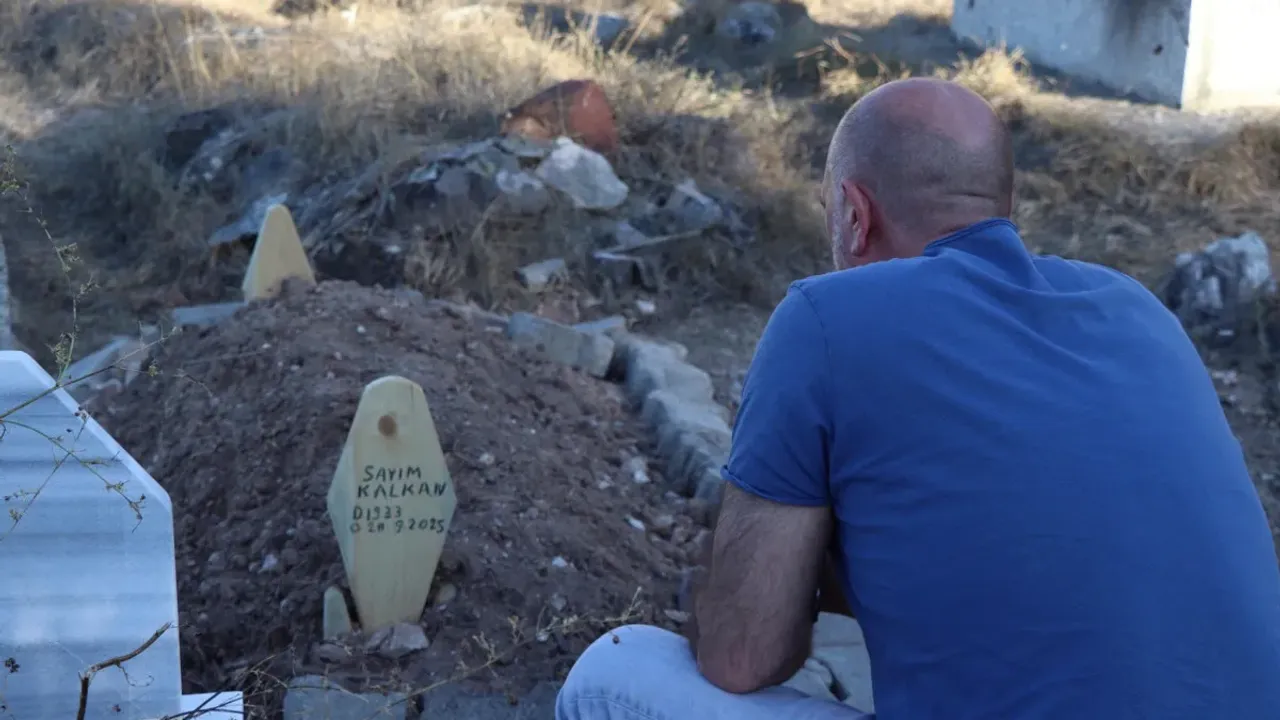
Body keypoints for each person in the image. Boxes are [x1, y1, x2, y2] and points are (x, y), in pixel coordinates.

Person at [554, 77, 1280, 719]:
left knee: (615, 674)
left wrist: (729, 587)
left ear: (853, 214)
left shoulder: (827, 318)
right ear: (1003, 207)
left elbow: (742, 657)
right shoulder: (1137, 309)